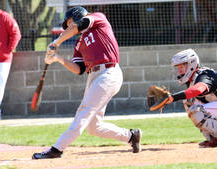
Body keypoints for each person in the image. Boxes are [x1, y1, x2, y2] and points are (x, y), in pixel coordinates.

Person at [32, 6, 142, 159]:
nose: (69, 27)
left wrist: (56, 42)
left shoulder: (98, 19)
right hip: (94, 76)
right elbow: (79, 69)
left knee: (84, 111)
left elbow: (79, 25)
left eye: (70, 23)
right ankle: (131, 136)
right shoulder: (79, 43)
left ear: (78, 17)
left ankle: (57, 149)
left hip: (109, 72)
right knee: (94, 127)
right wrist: (57, 58)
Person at [165, 48, 217, 147]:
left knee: (197, 111)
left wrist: (173, 97)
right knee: (189, 103)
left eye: (181, 66)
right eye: (177, 67)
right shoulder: (192, 79)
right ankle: (214, 138)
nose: (179, 71)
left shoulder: (204, 74)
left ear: (191, 64)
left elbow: (198, 89)